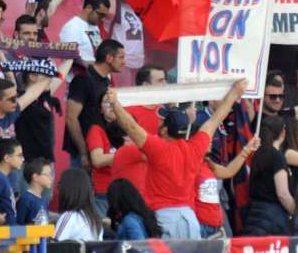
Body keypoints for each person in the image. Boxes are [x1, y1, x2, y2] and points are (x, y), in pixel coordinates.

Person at [107, 79, 246, 238]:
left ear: (165, 130)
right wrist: (234, 93)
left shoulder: (158, 148)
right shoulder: (195, 147)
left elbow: (131, 127)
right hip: (190, 220)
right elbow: (216, 119)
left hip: (164, 219)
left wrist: (115, 104)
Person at [0, 76, 52, 193]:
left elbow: (32, 93)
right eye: (11, 99)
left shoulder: (11, 114)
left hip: (12, 183)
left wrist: (51, 74)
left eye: (16, 97)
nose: (16, 101)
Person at [64, 39, 124, 171]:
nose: (124, 62)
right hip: (84, 154)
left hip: (99, 150)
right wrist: (83, 153)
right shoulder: (82, 79)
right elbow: (71, 118)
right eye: (121, 57)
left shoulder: (105, 81)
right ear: (109, 58)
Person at [60, 0, 111, 65]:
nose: (102, 18)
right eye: (100, 14)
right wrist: (95, 66)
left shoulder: (94, 27)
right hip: (77, 72)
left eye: (104, 15)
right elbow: (67, 58)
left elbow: (97, 49)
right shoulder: (72, 27)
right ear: (89, 8)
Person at [54, 168, 105, 241]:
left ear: (67, 190)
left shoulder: (69, 216)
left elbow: (55, 244)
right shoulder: (95, 219)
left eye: (60, 185)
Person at [16, 158, 53, 225]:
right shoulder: (26, 199)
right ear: (35, 177)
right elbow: (17, 225)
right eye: (48, 174)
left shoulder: (43, 200)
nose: (51, 178)